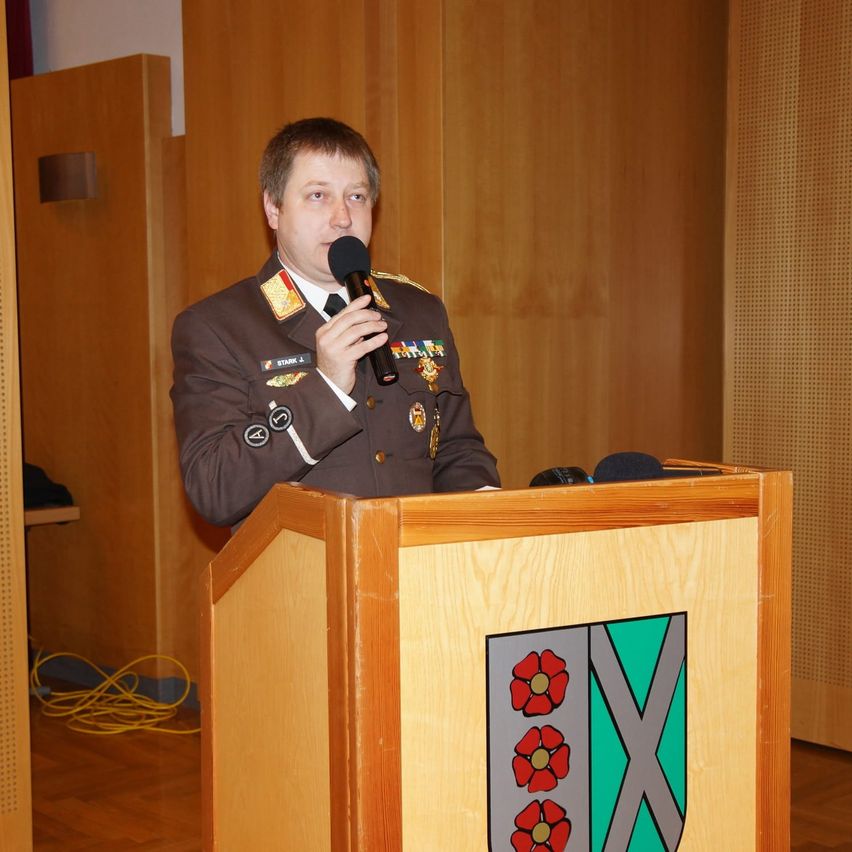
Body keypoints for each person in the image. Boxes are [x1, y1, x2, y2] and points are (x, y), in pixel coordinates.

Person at [170, 117, 499, 528]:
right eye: (317, 196)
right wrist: (325, 388)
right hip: (300, 579)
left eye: (357, 196)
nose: (342, 217)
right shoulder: (218, 327)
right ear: (273, 208)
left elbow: (457, 450)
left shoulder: (419, 311)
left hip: (419, 572)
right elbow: (214, 488)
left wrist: (486, 512)